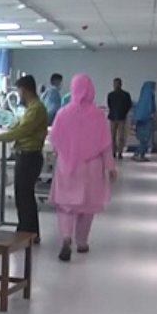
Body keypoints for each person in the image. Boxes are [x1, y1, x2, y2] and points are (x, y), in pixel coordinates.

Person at [48, 74, 117, 262]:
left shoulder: (62, 113)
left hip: (67, 165)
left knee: (65, 206)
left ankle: (66, 238)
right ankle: (82, 242)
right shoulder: (98, 115)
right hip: (91, 168)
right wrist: (110, 168)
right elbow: (106, 145)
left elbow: (54, 141)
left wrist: (66, 151)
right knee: (87, 207)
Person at [0, 75, 49, 242]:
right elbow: (18, 126)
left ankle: (28, 233)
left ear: (24, 90)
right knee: (23, 196)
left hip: (29, 157)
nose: (18, 94)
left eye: (19, 91)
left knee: (25, 197)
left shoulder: (36, 109)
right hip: (26, 156)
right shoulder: (32, 108)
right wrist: (4, 130)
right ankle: (28, 232)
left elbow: (21, 131)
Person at [107, 78, 133, 159]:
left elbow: (129, 105)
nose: (115, 85)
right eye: (114, 84)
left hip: (121, 118)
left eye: (116, 84)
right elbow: (109, 105)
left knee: (121, 136)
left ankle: (120, 152)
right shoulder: (110, 95)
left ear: (120, 84)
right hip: (113, 118)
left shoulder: (125, 95)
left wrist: (124, 112)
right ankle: (113, 152)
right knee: (112, 136)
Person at [132, 81, 157, 161]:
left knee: (142, 139)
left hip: (140, 120)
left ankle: (138, 153)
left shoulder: (142, 96)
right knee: (145, 139)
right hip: (146, 120)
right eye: (154, 86)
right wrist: (152, 114)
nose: (155, 88)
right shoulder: (150, 95)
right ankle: (140, 155)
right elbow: (151, 108)